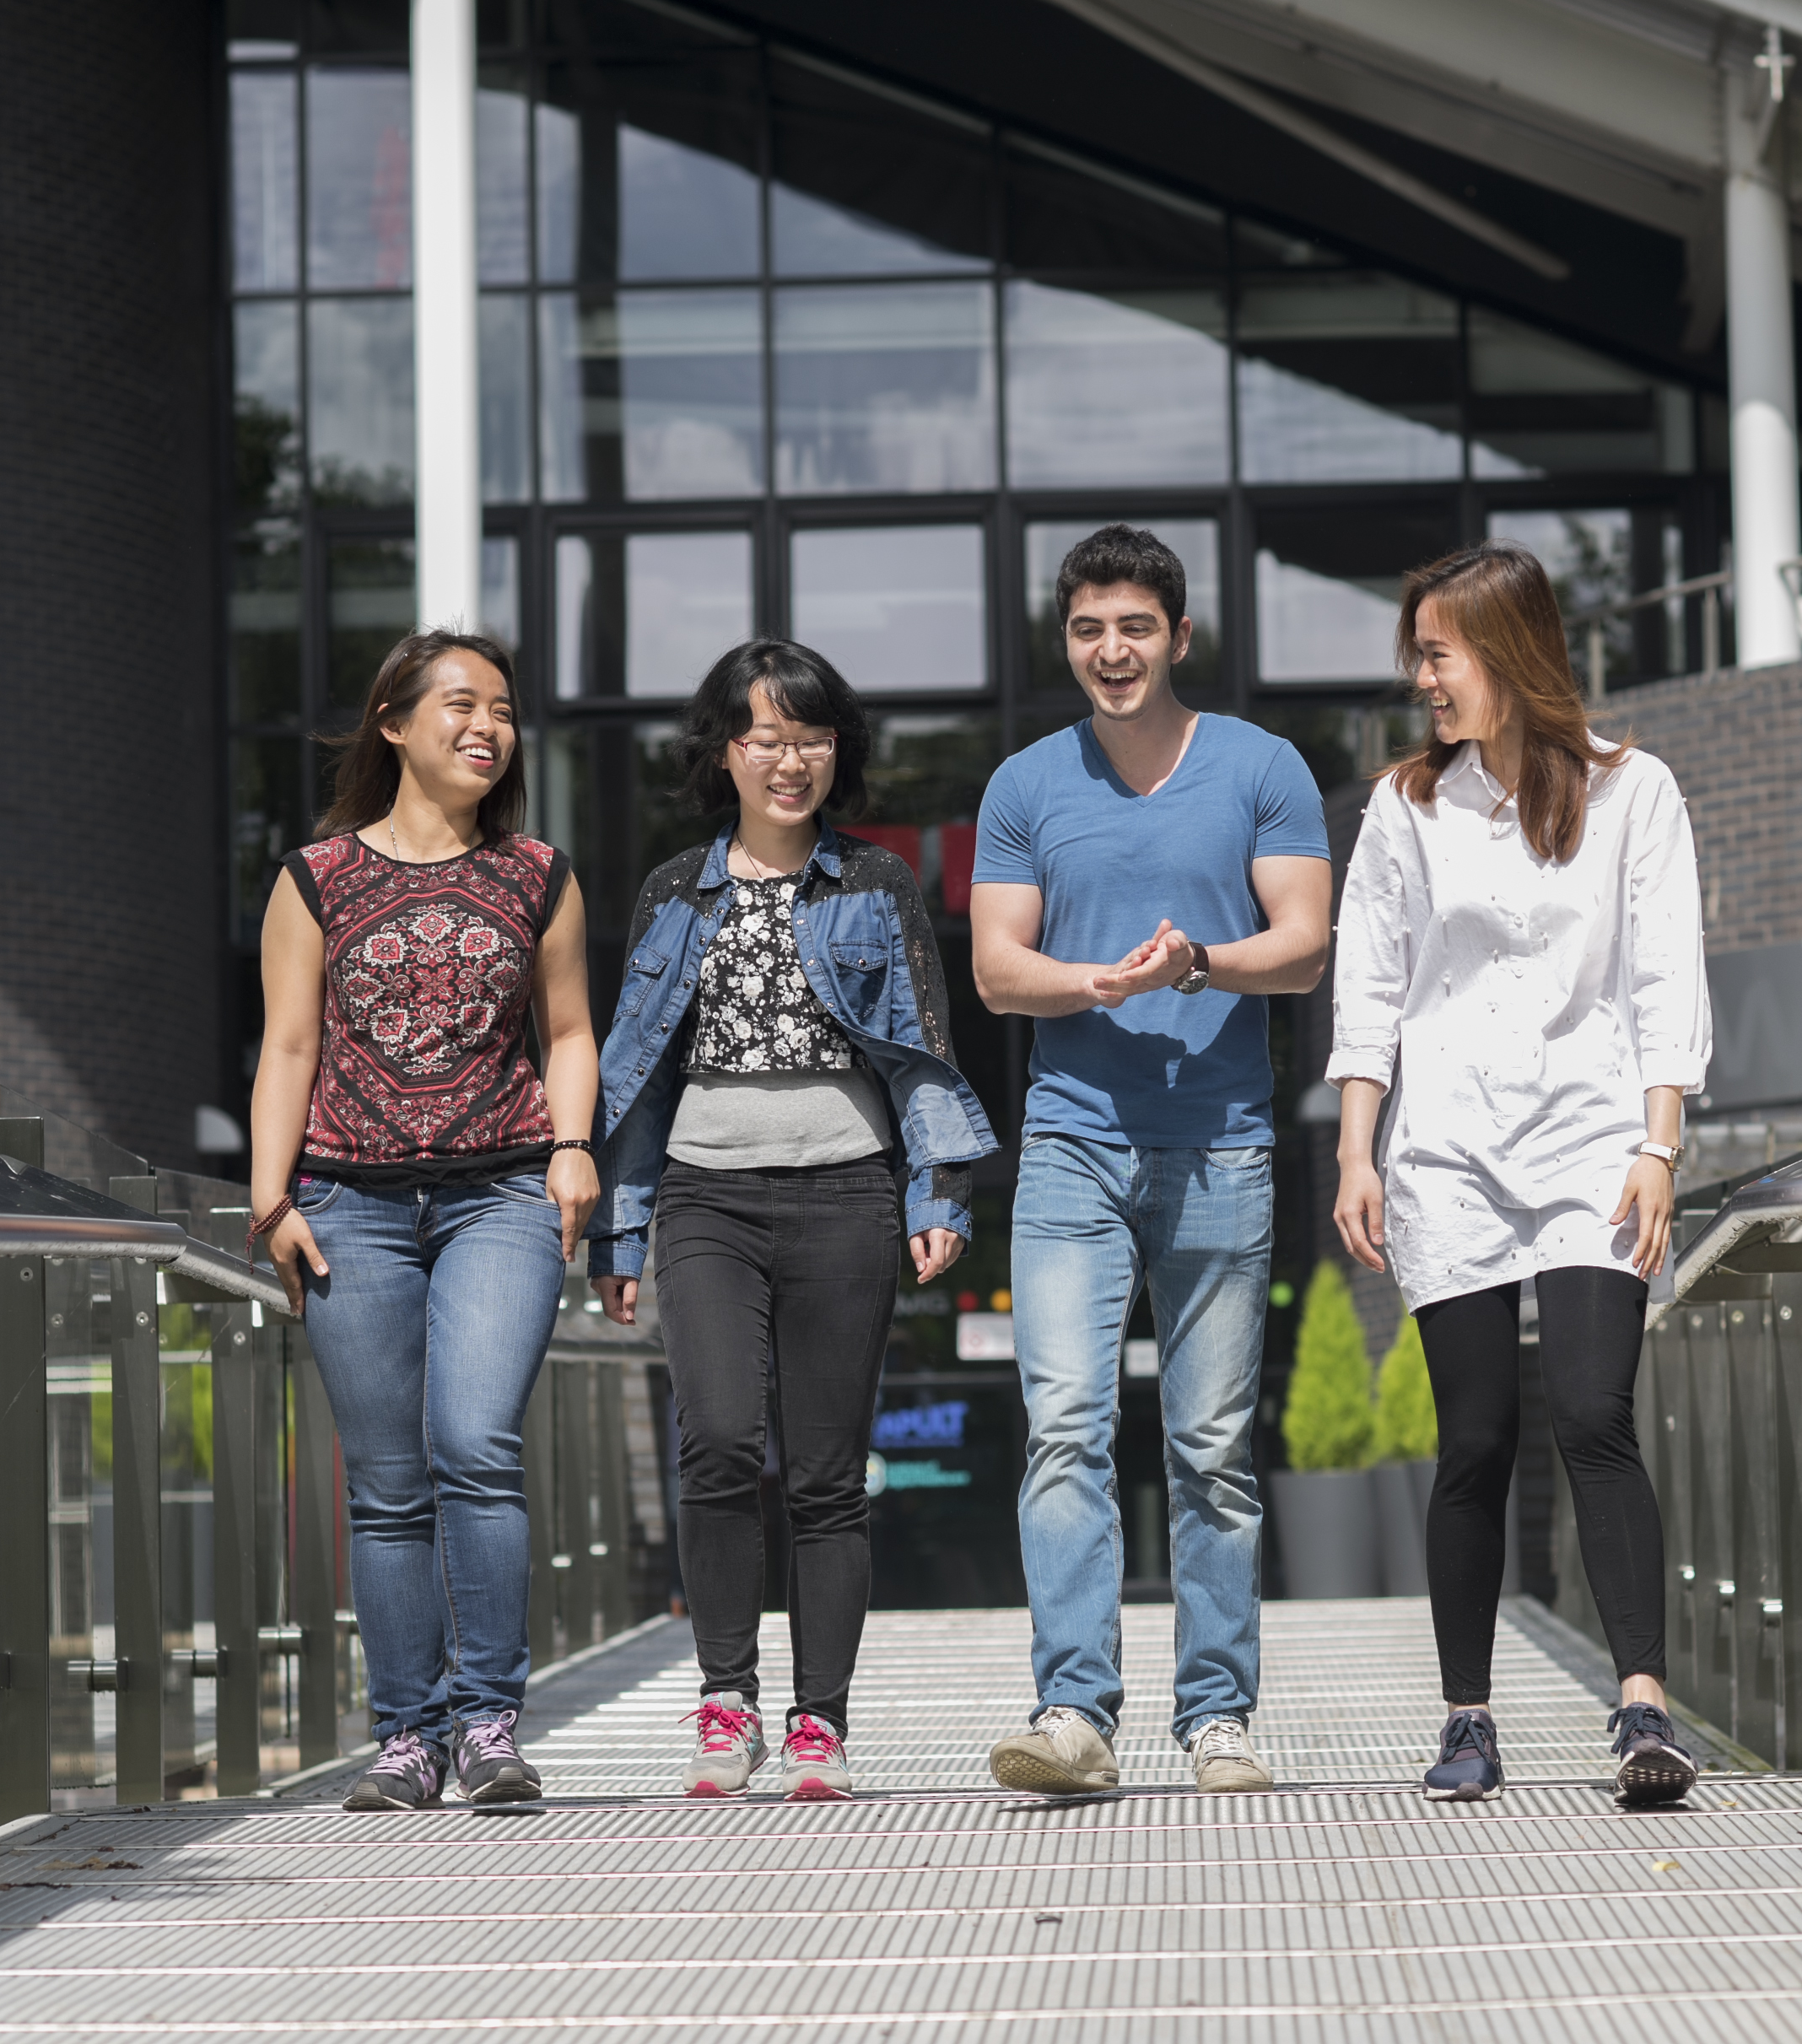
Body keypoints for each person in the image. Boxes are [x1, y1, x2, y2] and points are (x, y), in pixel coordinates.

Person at [1325, 539, 1712, 1810]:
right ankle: (1468, 1717)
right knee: (1476, 1439)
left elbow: (1665, 973)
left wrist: (1660, 1145)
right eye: (1418, 656)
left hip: (1593, 1142)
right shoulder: (1406, 805)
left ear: (1506, 651)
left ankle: (1643, 1707)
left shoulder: (1631, 789)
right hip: (1444, 1149)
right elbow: (1372, 985)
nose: (1423, 679)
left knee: (1594, 1412)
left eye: (1438, 654)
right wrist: (1356, 1149)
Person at [596, 639, 995, 1800]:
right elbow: (637, 1076)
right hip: (706, 1194)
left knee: (825, 1469)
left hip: (846, 1195)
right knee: (716, 1437)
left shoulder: (875, 884)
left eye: (810, 738)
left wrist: (938, 1193)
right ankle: (728, 1699)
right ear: (725, 751)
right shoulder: (676, 891)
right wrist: (620, 1234)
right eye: (765, 737)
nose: (789, 760)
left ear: (837, 751)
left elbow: (924, 1047)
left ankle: (820, 1718)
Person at [970, 526, 1333, 1795]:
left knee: (1211, 1445)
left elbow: (1303, 944)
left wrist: (1201, 965)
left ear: (1180, 637)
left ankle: (1217, 1717)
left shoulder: (1261, 766)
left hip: (1222, 1145)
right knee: (1064, 1428)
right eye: (1086, 629)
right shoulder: (1026, 784)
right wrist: (1098, 981)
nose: (1110, 651)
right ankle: (1075, 1714)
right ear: (1063, 641)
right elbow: (996, 970)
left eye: (1133, 627)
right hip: (1072, 1145)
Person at [251, 629, 596, 1812]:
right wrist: (272, 1197)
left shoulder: (538, 875)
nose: (485, 727)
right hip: (350, 1201)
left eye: (500, 708)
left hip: (502, 1191)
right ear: (393, 722)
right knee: (388, 1482)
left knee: (477, 1448)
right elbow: (288, 1044)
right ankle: (406, 1737)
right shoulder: (315, 878)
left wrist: (573, 1149)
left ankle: (489, 1725)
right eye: (458, 704)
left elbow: (566, 1034)